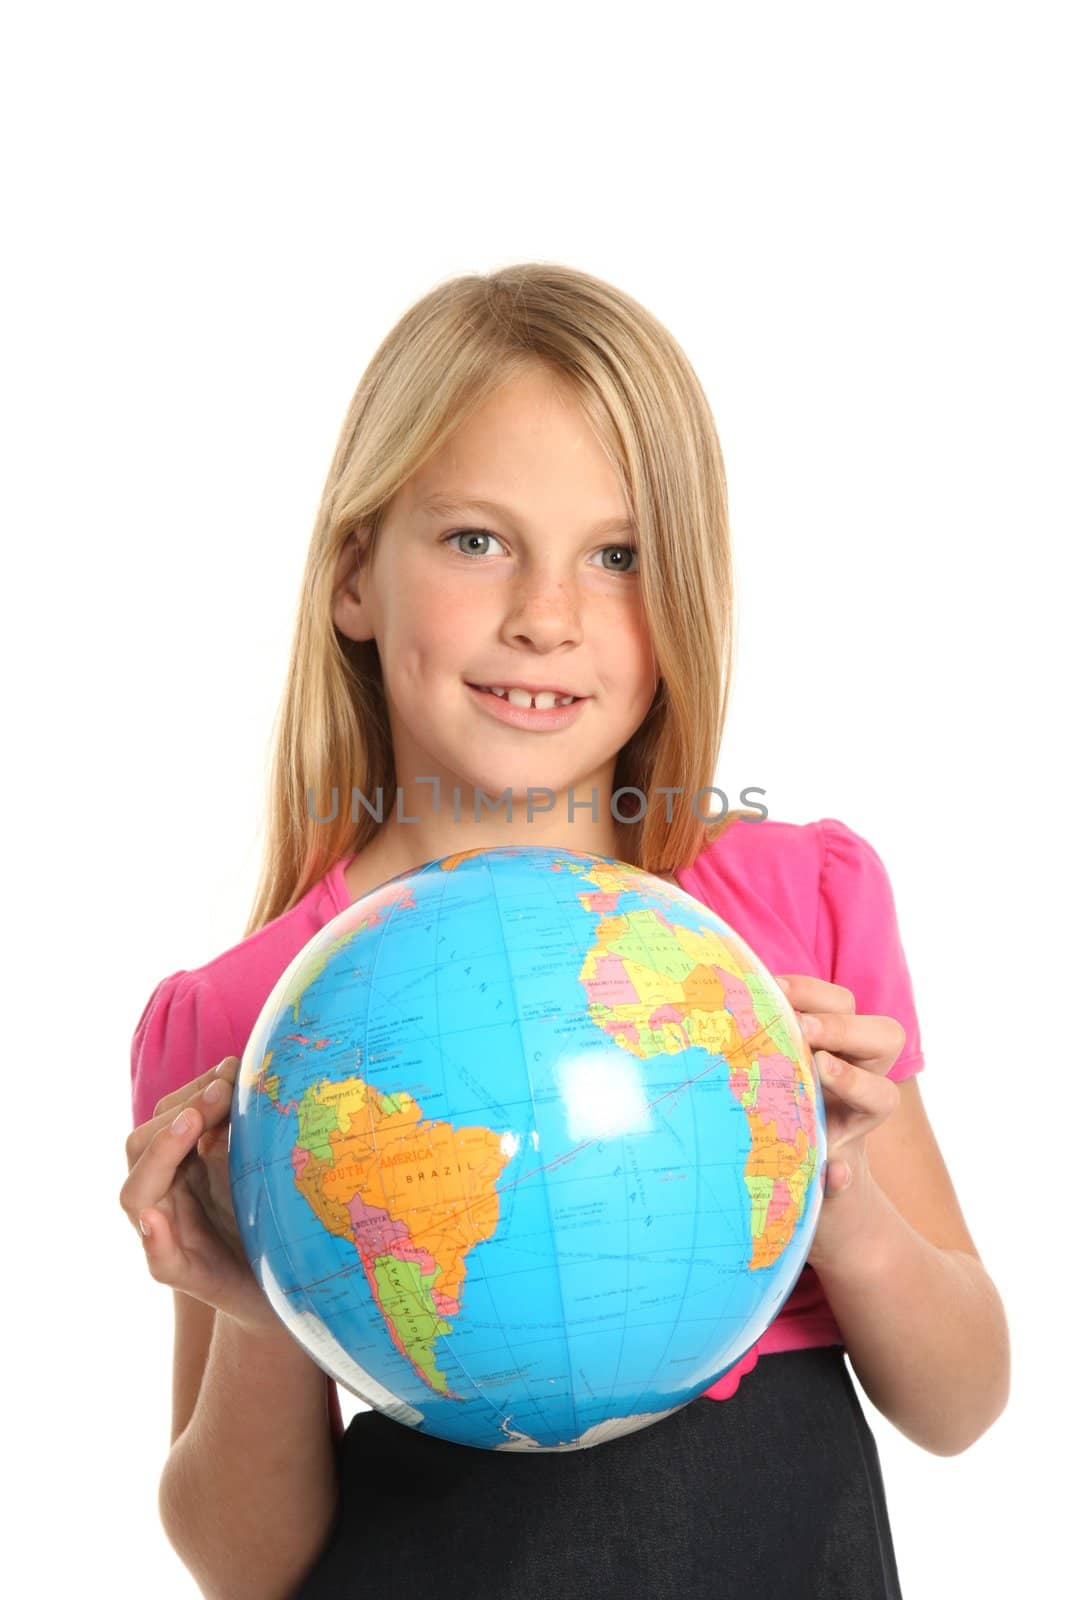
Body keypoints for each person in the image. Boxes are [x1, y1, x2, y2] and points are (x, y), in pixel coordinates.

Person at [120, 263, 1010, 1600]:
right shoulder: (244, 1019)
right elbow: (244, 1568)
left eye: (619, 555)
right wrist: (262, 1317)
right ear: (356, 574)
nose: (547, 612)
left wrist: (841, 1204)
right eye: (477, 540)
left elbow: (962, 1403)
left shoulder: (791, 916)